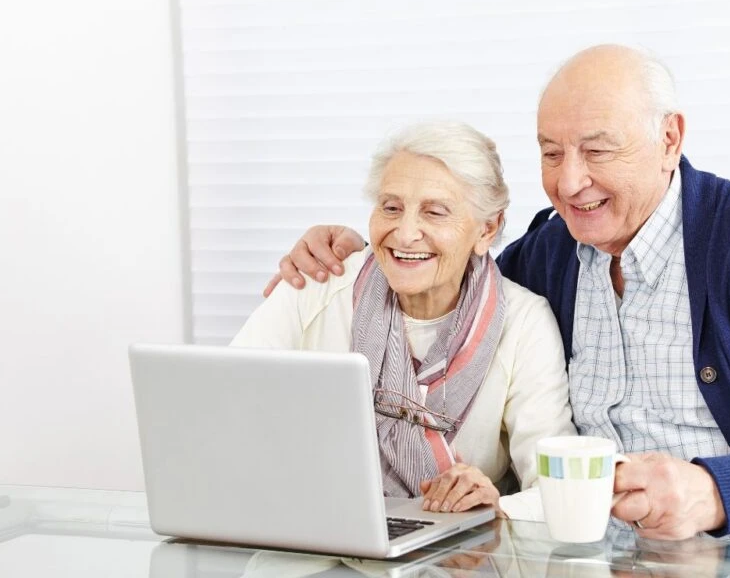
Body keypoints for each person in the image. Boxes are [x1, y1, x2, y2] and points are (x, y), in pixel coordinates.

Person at [266, 45, 730, 545]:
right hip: (578, 560)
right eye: (551, 153)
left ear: (670, 140)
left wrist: (717, 491)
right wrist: (360, 255)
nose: (570, 182)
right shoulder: (549, 254)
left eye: (597, 150)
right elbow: (454, 269)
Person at [232, 120, 575, 517]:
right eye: (391, 208)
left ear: (487, 228)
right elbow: (223, 408)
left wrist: (494, 506)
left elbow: (558, 486)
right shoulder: (316, 285)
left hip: (459, 544)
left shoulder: (525, 322)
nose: (405, 233)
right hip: (308, 521)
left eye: (435, 212)